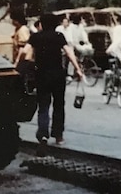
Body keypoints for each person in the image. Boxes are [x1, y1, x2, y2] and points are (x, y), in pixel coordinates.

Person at [23, 14, 83, 146]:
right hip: (58, 75)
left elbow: (25, 51)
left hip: (41, 75)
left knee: (43, 105)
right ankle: (58, 136)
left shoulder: (35, 37)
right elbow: (69, 53)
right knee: (59, 105)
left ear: (42, 24)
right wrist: (77, 68)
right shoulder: (59, 36)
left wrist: (19, 65)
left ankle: (43, 134)